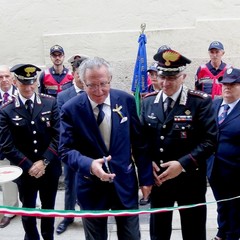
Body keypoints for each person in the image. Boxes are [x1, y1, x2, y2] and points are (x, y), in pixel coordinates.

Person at [59, 57, 153, 240]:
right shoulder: (71, 109)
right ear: (82, 82)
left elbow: (139, 143)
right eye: (91, 85)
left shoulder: (125, 101)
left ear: (110, 79)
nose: (98, 91)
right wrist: (89, 165)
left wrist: (145, 179)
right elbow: (65, 150)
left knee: (131, 236)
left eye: (103, 84)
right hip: (91, 187)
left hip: (124, 183)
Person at [141, 45, 217, 240]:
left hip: (190, 180)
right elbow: (141, 140)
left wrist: (182, 164)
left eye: (172, 78)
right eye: (162, 76)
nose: (165, 83)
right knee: (159, 233)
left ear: (183, 77)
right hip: (159, 181)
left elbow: (210, 141)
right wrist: (146, 164)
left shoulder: (199, 102)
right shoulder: (148, 101)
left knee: (193, 232)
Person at [0, 64, 62, 240]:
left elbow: (58, 136)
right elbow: (6, 145)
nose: (28, 87)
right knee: (27, 210)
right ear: (15, 82)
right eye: (23, 83)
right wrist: (30, 166)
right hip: (24, 170)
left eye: (31, 82)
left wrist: (44, 161)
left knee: (48, 208)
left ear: (36, 82)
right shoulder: (6, 109)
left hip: (49, 169)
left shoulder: (50, 102)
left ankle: (48, 236)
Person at [56, 54, 88, 234]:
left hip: (92, 150)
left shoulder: (94, 92)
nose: (82, 76)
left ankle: (88, 215)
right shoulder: (63, 96)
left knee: (90, 183)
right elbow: (63, 125)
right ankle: (68, 216)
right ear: (74, 73)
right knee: (70, 183)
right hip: (72, 149)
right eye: (79, 73)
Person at [207, 67, 240, 240]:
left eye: (233, 84)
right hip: (214, 167)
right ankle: (222, 231)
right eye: (224, 84)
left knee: (235, 206)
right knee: (221, 203)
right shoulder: (214, 105)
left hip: (235, 170)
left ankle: (233, 235)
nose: (227, 87)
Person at [0, 65, 19, 228]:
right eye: (0, 77)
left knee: (31, 177)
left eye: (6, 76)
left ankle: (34, 207)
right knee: (7, 179)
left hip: (22, 146)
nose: (4, 80)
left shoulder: (21, 93)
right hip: (2, 147)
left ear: (12, 78)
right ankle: (9, 210)